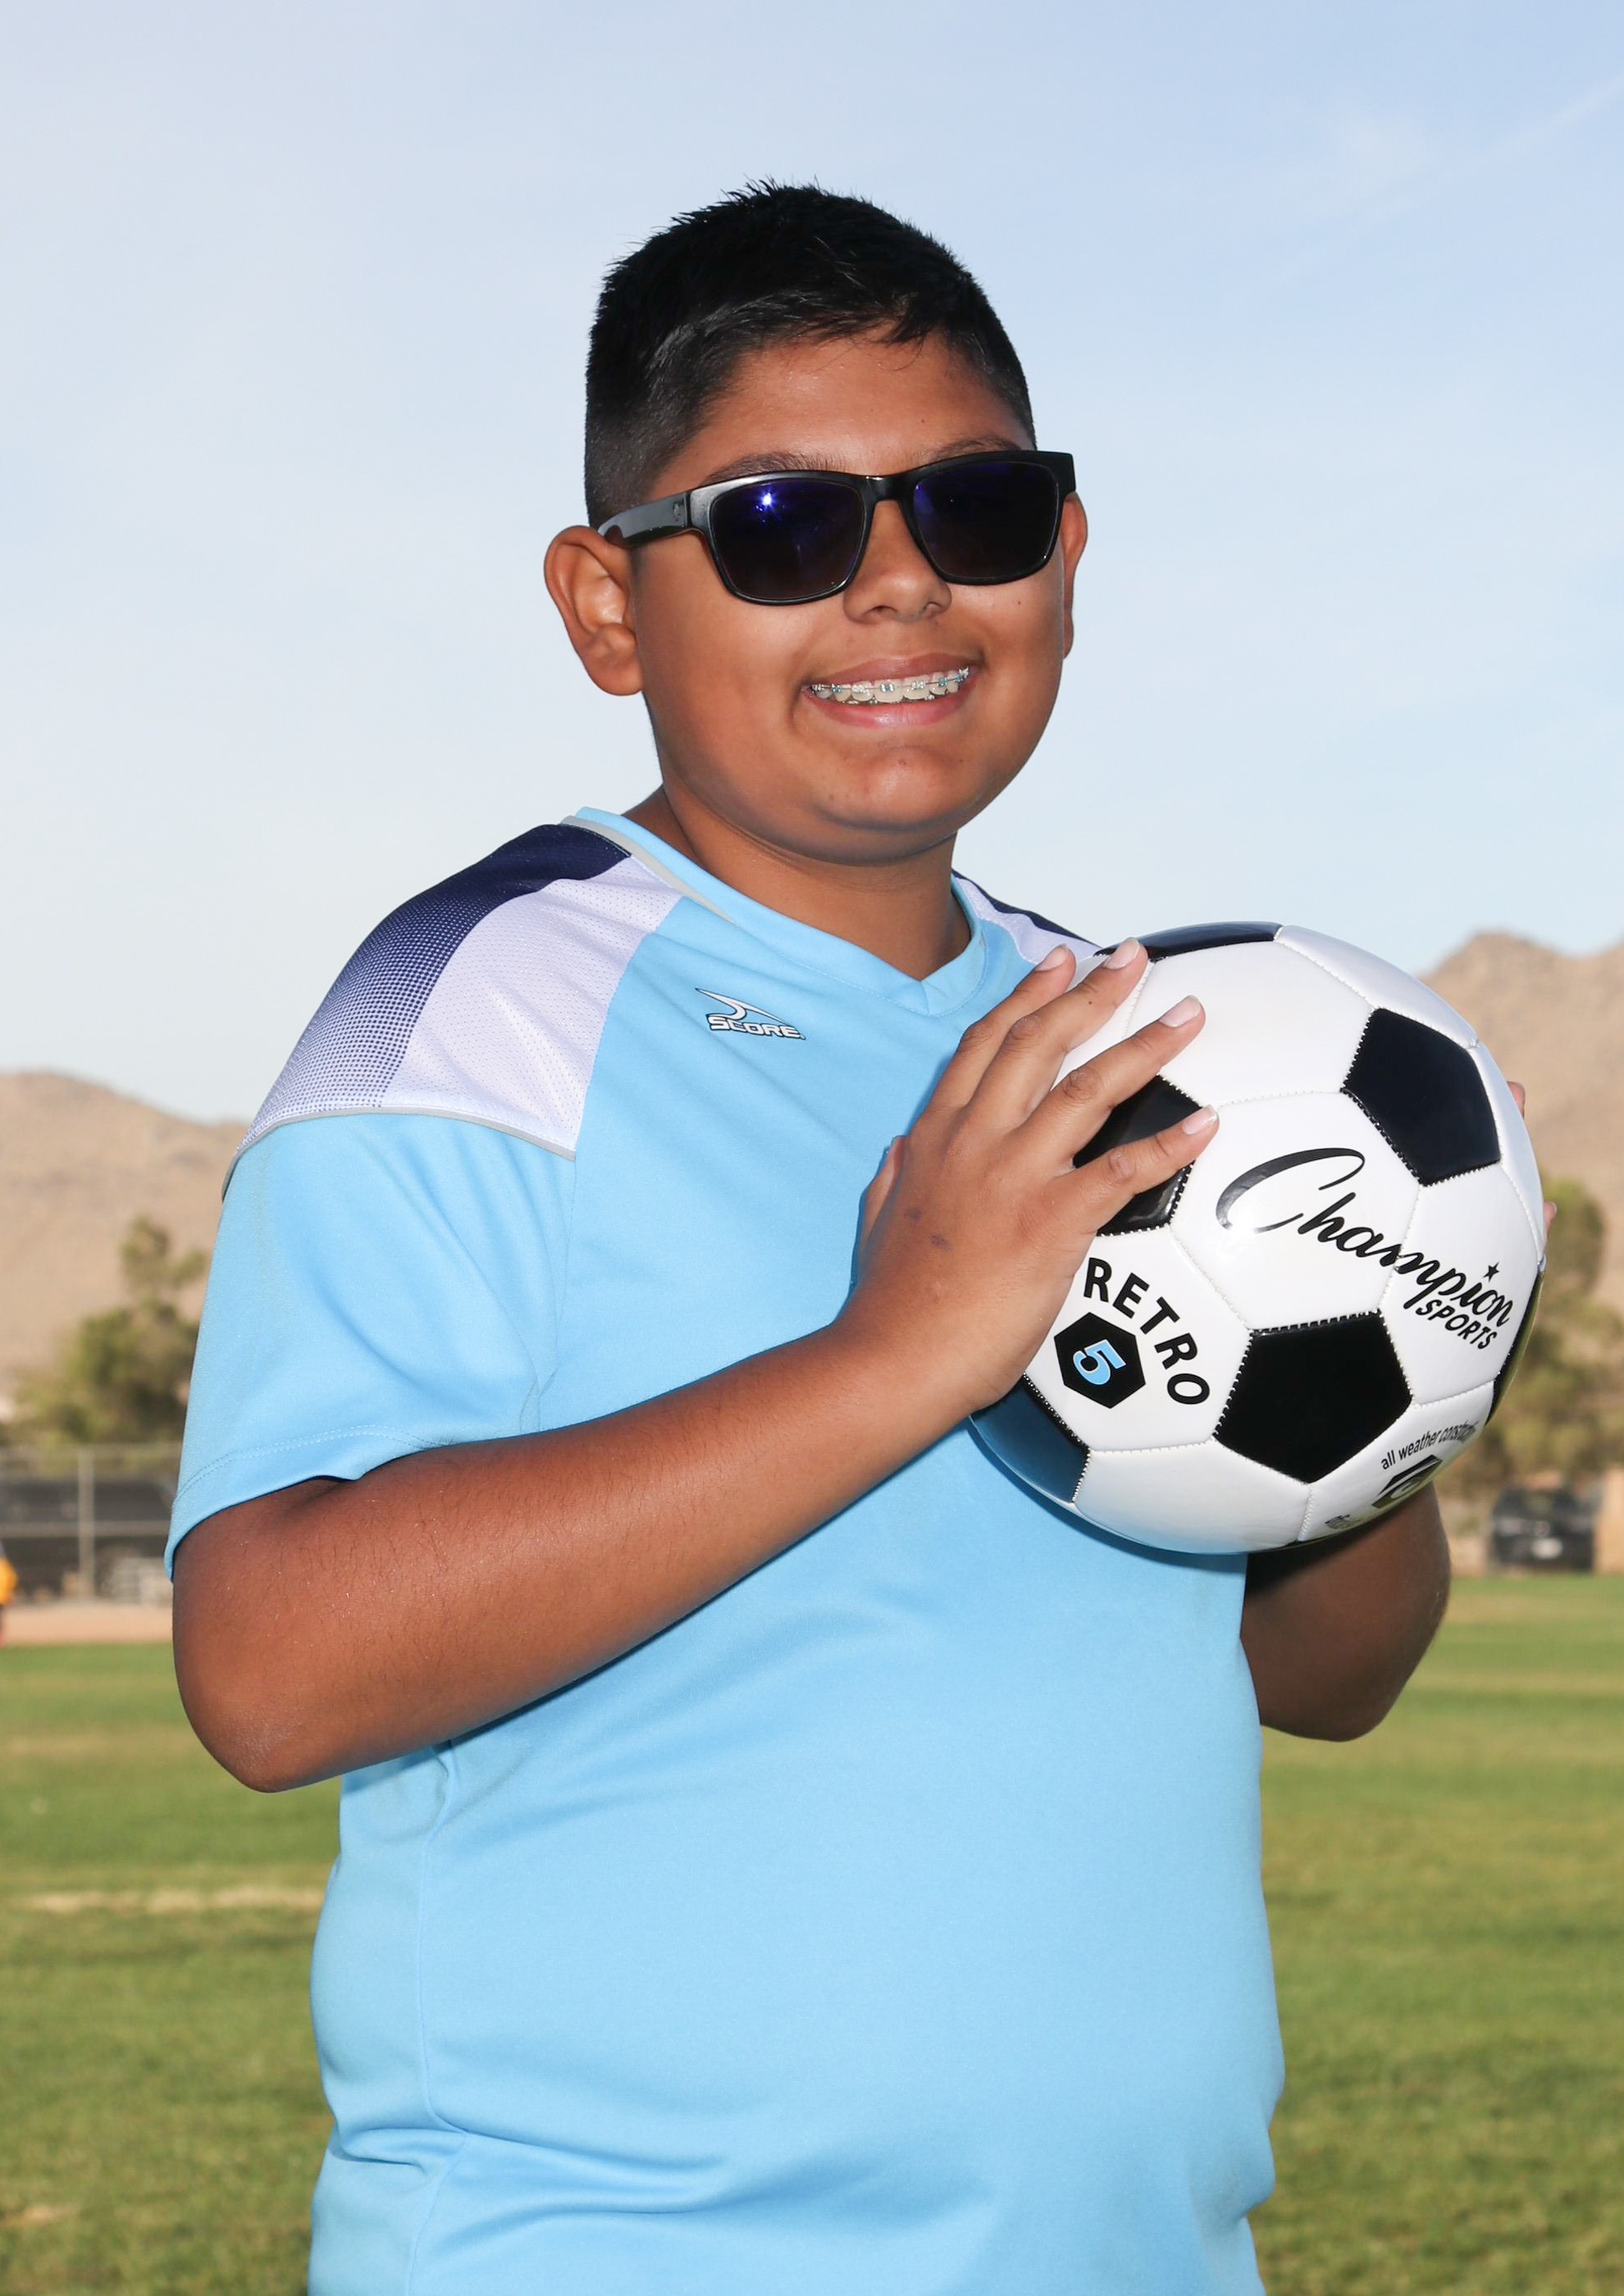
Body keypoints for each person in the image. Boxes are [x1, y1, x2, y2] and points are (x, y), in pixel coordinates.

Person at [169, 184, 1458, 2295]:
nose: (896, 584)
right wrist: (896, 1351)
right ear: (607, 606)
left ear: (1061, 552)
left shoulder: (1137, 1039)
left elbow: (1333, 1678)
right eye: (779, 524)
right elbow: (268, 1668)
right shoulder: (480, 1007)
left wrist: (1383, 1350)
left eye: (974, 506)